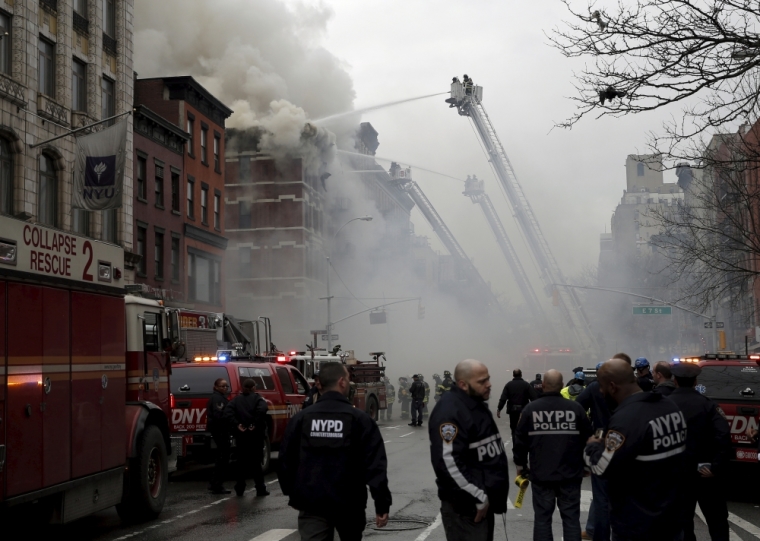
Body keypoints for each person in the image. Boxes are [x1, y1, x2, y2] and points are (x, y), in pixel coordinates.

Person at [278, 362, 391, 540]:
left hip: (311, 502)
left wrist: (293, 495)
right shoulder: (359, 420)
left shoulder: (302, 418)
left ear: (319, 384)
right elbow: (375, 465)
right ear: (342, 382)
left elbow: (286, 460)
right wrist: (382, 503)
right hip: (350, 503)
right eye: (348, 378)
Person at [584, 359, 687, 541]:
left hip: (638, 525)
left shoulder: (625, 420)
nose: (600, 391)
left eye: (602, 387)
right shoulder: (671, 408)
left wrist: (593, 445)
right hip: (673, 519)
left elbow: (601, 468)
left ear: (613, 386)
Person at [429, 359, 509, 541]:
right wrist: (479, 496)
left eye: (488, 379)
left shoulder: (475, 405)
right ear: (463, 384)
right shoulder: (450, 412)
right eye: (482, 381)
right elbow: (448, 463)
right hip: (466, 508)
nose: (489, 385)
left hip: (481, 504)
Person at [514, 370, 593, 541]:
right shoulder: (576, 409)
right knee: (571, 520)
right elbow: (590, 440)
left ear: (543, 385)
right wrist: (586, 466)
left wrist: (520, 466)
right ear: (562, 384)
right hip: (570, 474)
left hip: (541, 474)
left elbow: (520, 441)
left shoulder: (531, 409)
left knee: (542, 520)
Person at [668, 362, 731, 541]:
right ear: (696, 381)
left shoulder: (664, 405)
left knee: (682, 521)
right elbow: (723, 435)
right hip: (705, 473)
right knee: (717, 520)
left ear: (675, 381)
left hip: (678, 475)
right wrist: (716, 467)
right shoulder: (708, 405)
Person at [224, 378, 270, 497]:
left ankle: (240, 488)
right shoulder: (258, 399)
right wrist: (254, 423)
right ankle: (260, 488)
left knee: (241, 463)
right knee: (256, 463)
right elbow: (263, 409)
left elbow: (228, 412)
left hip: (242, 435)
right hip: (255, 435)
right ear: (253, 387)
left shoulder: (236, 400)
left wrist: (237, 424)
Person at [496, 368, 536, 444]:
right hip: (524, 411)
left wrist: (499, 409)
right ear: (521, 375)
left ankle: (515, 445)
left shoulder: (508, 385)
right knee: (524, 428)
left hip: (513, 411)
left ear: (513, 375)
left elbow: (503, 398)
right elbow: (533, 398)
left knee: (514, 429)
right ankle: (523, 445)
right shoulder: (526, 385)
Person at [207, 378, 231, 494]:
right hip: (220, 431)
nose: (225, 388)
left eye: (226, 386)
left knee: (221, 457)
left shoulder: (220, 398)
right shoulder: (218, 399)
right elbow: (219, 415)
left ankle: (214, 483)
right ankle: (217, 484)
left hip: (220, 431)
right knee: (223, 458)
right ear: (216, 387)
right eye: (222, 386)